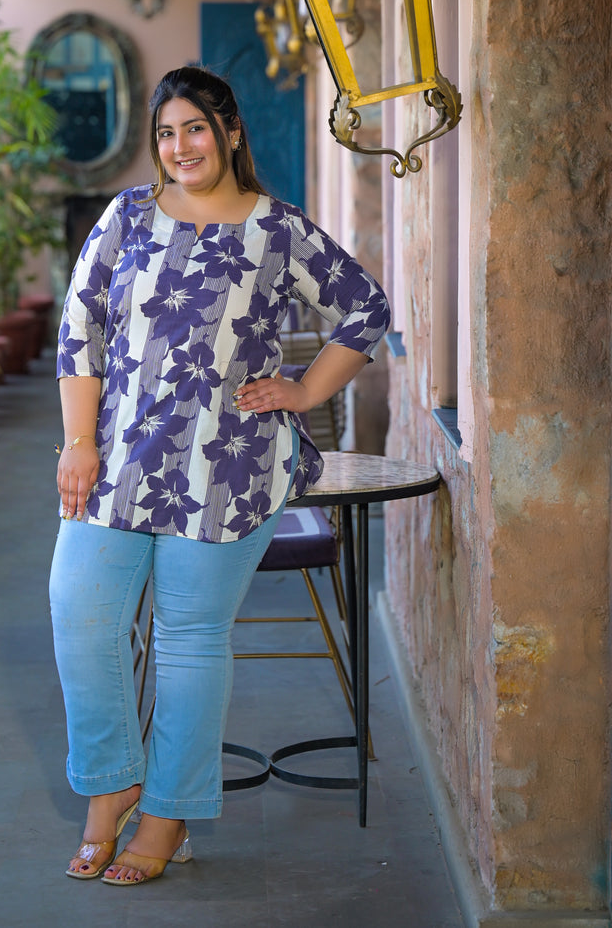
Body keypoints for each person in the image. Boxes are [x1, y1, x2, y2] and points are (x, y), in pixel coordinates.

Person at [50, 65, 390, 887]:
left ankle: (166, 816)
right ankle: (112, 785)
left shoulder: (278, 230)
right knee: (79, 610)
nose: (180, 146)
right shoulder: (127, 216)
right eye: (167, 133)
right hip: (121, 457)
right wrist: (76, 442)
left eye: (195, 128)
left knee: (190, 641)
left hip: (229, 467)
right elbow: (80, 331)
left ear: (231, 131)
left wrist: (306, 390)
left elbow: (366, 307)